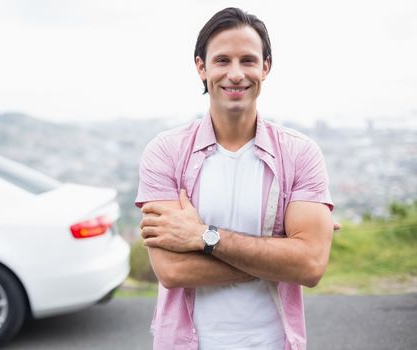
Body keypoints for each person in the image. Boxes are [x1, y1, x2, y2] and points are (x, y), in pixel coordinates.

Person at [135, 7, 335, 350]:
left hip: (273, 342)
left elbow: (311, 265)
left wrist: (202, 237)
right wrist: (281, 255)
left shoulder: (300, 153)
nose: (236, 74)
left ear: (265, 67)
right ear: (202, 67)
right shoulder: (166, 152)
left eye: (248, 60)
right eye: (223, 60)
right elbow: (171, 271)